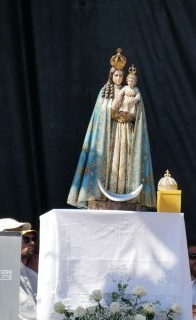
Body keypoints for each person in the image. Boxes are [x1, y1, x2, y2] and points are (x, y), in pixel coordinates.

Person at [67, 49, 156, 209]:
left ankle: (123, 192)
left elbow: (139, 113)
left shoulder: (131, 90)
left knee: (124, 161)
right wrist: (114, 110)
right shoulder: (105, 91)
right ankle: (102, 194)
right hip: (110, 133)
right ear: (111, 75)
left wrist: (130, 113)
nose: (119, 78)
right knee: (110, 162)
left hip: (126, 131)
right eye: (116, 75)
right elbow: (101, 112)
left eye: (121, 76)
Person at [0, 218, 38, 320]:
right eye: (25, 238)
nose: (32, 243)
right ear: (2, 239)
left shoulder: (32, 275)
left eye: (33, 239)